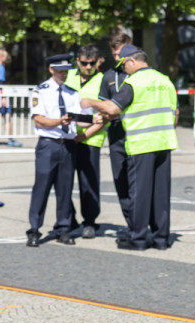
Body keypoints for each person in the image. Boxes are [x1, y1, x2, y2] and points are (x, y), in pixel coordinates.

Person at [83, 45, 178, 251]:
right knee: (161, 194)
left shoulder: (133, 82)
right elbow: (175, 113)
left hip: (141, 144)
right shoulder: (165, 80)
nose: (123, 69)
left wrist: (88, 101)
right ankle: (161, 239)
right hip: (164, 142)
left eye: (123, 64)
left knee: (140, 194)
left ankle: (138, 239)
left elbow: (112, 107)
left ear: (133, 61)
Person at [26, 54, 83, 247]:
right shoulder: (40, 91)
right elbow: (40, 119)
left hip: (67, 145)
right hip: (48, 144)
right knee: (41, 189)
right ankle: (34, 230)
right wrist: (60, 121)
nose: (63, 74)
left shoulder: (73, 93)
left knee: (65, 189)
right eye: (59, 70)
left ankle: (63, 229)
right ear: (51, 69)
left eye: (66, 70)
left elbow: (80, 118)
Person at [64, 44, 107, 239]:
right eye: (84, 63)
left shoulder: (103, 80)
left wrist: (85, 135)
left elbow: (104, 113)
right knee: (63, 180)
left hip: (91, 139)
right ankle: (69, 219)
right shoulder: (68, 76)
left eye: (91, 63)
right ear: (77, 61)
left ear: (97, 62)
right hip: (67, 136)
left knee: (88, 182)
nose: (88, 67)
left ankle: (90, 221)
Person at [98, 32, 133, 237]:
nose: (118, 58)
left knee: (138, 180)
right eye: (115, 53)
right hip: (116, 133)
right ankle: (131, 223)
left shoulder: (140, 73)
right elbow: (104, 105)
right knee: (121, 181)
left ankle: (140, 223)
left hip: (137, 132)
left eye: (121, 53)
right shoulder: (109, 76)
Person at [0, 47, 22, 147]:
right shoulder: (0, 67)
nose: (6, 59)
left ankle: (11, 138)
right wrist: (3, 97)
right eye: (5, 56)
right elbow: (1, 82)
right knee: (7, 116)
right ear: (1, 57)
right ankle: (11, 139)